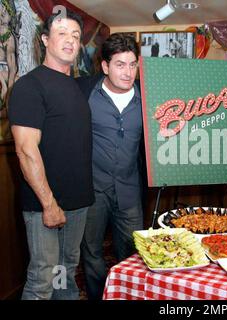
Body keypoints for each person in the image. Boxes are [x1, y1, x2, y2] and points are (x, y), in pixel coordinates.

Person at [8, 10, 94, 300]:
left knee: (65, 272)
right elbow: (25, 149)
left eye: (76, 35)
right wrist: (49, 204)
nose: (70, 40)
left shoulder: (77, 86)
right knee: (42, 278)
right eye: (62, 33)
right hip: (45, 203)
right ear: (45, 39)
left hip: (78, 202)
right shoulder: (29, 86)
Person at [77, 33, 144, 300]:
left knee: (132, 254)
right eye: (120, 64)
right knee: (91, 252)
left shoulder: (148, 98)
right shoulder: (84, 93)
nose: (128, 72)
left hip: (129, 190)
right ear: (105, 66)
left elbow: (163, 130)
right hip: (92, 190)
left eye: (132, 64)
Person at [0, 1, 18, 117]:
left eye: (4, 11)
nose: (1, 14)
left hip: (7, 75)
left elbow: (12, 69)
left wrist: (7, 91)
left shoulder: (9, 38)